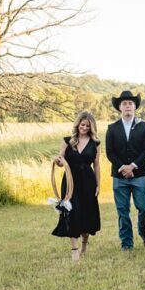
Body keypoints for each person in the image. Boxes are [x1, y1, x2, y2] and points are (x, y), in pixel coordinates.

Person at [104, 89, 145, 251]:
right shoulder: (112, 128)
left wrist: (132, 166)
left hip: (139, 174)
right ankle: (126, 243)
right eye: (124, 104)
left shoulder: (144, 127)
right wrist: (122, 167)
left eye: (130, 103)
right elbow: (109, 151)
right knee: (122, 211)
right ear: (119, 107)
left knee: (143, 207)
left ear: (135, 107)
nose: (127, 106)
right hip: (119, 176)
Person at [51, 110, 101, 261]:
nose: (84, 128)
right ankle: (74, 249)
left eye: (87, 126)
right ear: (78, 124)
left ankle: (85, 244)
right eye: (82, 124)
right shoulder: (67, 141)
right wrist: (58, 161)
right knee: (72, 213)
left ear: (91, 127)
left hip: (88, 181)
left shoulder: (96, 144)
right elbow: (61, 161)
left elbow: (97, 166)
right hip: (70, 181)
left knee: (87, 213)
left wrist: (98, 184)